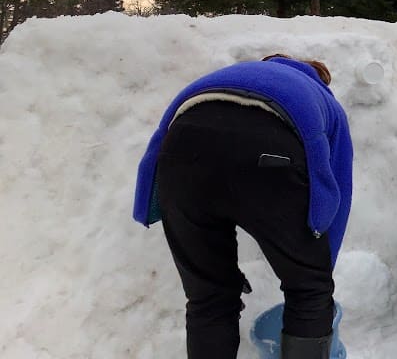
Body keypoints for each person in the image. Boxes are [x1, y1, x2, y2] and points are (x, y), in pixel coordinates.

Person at [133, 54, 353, 359]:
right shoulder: (321, 97)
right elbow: (338, 183)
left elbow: (161, 138)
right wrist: (316, 268)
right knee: (308, 292)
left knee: (209, 298)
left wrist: (148, 205)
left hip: (181, 156)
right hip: (271, 149)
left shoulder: (229, 76)